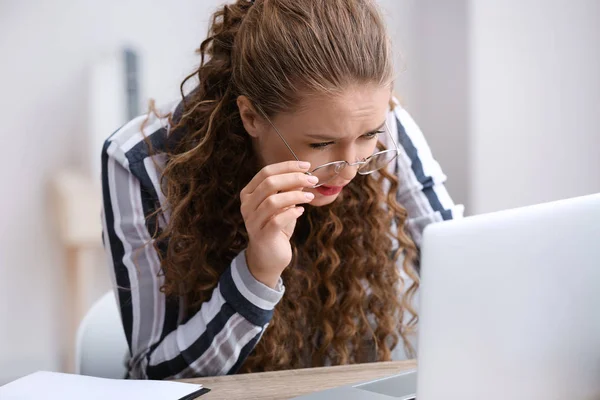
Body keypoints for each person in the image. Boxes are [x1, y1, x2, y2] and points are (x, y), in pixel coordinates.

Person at [101, 0, 463, 380]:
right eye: (322, 144)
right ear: (251, 116)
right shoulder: (141, 161)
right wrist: (258, 271)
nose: (350, 168)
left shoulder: (378, 120)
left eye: (369, 135)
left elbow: (461, 268)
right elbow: (153, 377)